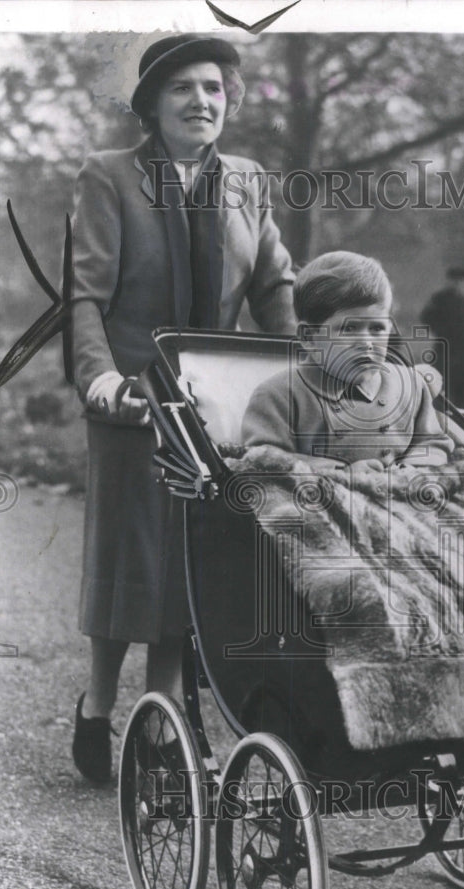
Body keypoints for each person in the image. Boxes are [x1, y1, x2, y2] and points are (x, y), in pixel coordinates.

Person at [70, 34, 297, 782]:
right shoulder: (110, 178)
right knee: (128, 559)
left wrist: (309, 371)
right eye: (183, 90)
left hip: (215, 406)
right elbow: (87, 297)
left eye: (214, 90)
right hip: (135, 399)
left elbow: (272, 286)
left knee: (188, 566)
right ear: (151, 105)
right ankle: (99, 708)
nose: (202, 102)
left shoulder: (246, 181)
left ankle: (158, 726)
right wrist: (101, 380)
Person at [242, 252, 453, 470]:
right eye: (349, 328)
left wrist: (411, 468)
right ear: (309, 337)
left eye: (377, 329)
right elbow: (264, 458)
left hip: (400, 495)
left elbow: (433, 442)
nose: (366, 343)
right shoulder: (280, 395)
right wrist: (341, 471)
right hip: (317, 498)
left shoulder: (411, 386)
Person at [419, 265, 464, 408]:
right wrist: (440, 330)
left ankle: (460, 425)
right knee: (441, 389)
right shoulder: (440, 298)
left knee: (461, 394)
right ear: (449, 280)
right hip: (445, 350)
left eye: (461, 280)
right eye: (455, 280)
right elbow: (426, 317)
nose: (458, 283)